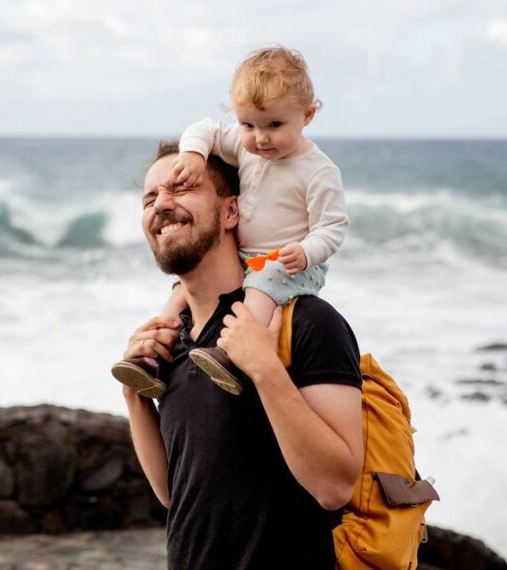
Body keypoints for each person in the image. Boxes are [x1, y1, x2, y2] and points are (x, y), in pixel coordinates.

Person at [121, 140, 363, 569]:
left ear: (231, 211)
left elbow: (335, 486)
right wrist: (135, 398)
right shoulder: (174, 341)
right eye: (149, 198)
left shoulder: (306, 321)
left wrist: (265, 369)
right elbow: (175, 495)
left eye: (181, 188)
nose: (161, 204)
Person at [112, 46, 348, 397]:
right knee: (181, 291)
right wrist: (193, 155)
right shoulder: (244, 146)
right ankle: (154, 357)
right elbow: (203, 129)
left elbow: (333, 227)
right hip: (248, 256)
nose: (260, 138)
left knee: (261, 285)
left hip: (289, 262)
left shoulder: (318, 171)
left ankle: (231, 356)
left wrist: (306, 251)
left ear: (308, 115)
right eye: (248, 124)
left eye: (274, 125)